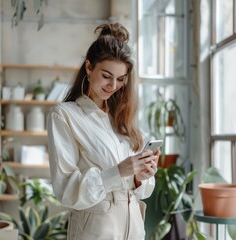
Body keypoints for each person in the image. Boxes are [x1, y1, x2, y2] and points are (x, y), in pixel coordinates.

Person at [47, 22, 160, 240]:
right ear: (89, 67)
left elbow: (141, 191)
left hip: (134, 229)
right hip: (96, 232)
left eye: (120, 79)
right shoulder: (65, 115)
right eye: (107, 76)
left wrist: (139, 176)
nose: (113, 85)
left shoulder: (122, 120)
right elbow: (66, 190)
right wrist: (118, 171)